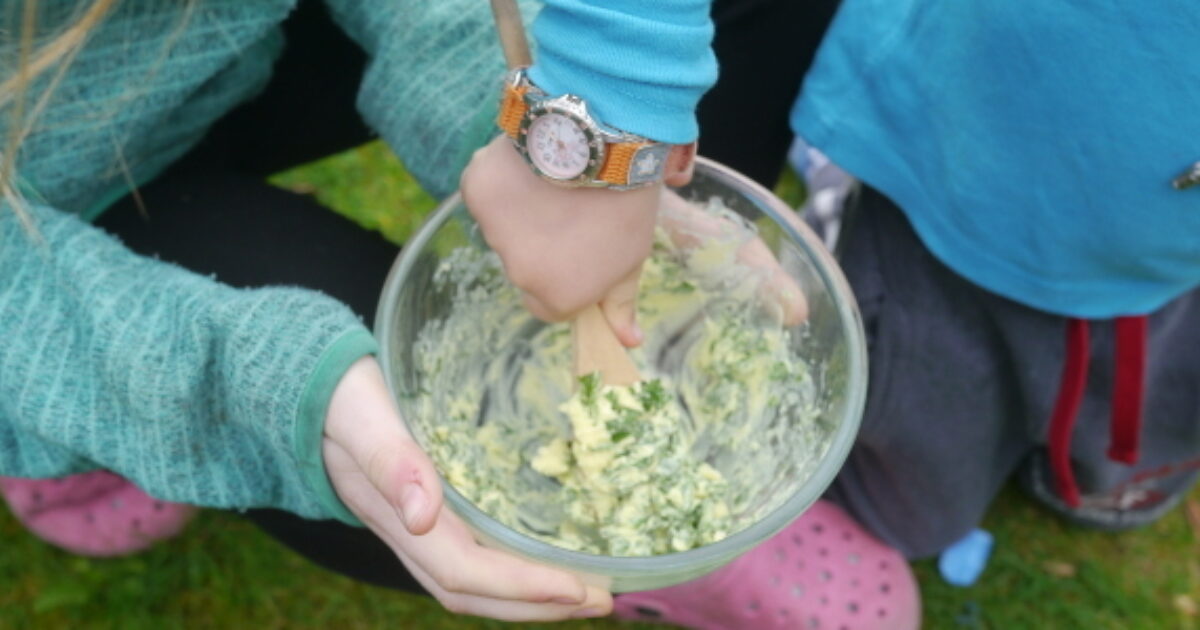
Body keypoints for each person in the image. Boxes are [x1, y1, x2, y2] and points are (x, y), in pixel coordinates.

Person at [461, 0, 1200, 628]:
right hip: (958, 172)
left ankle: (1101, 472)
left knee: (1140, 409)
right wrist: (606, 97)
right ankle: (759, 539)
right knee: (919, 482)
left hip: (1175, 253)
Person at [0, 0, 617, 622]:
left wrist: (526, 144)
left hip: (230, 41)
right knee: (425, 453)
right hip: (30, 189)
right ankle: (64, 422)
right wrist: (272, 391)